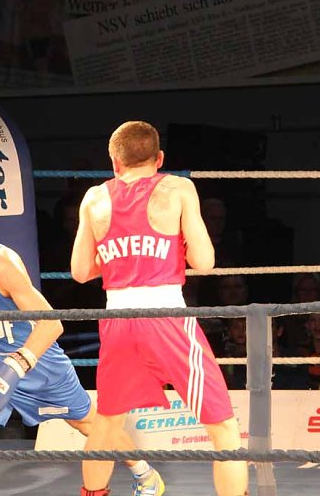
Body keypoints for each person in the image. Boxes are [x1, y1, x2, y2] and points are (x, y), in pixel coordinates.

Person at [0, 185, 158, 496]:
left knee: (89, 424)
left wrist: (16, 365)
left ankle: (145, 472)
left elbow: (52, 324)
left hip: (38, 362)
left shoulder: (2, 263)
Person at [72, 121, 248, 496]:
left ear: (114, 162)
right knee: (223, 426)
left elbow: (80, 270)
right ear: (160, 158)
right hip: (166, 316)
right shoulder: (179, 188)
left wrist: (124, 255)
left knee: (106, 425)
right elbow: (204, 261)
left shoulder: (93, 198)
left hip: (117, 320)